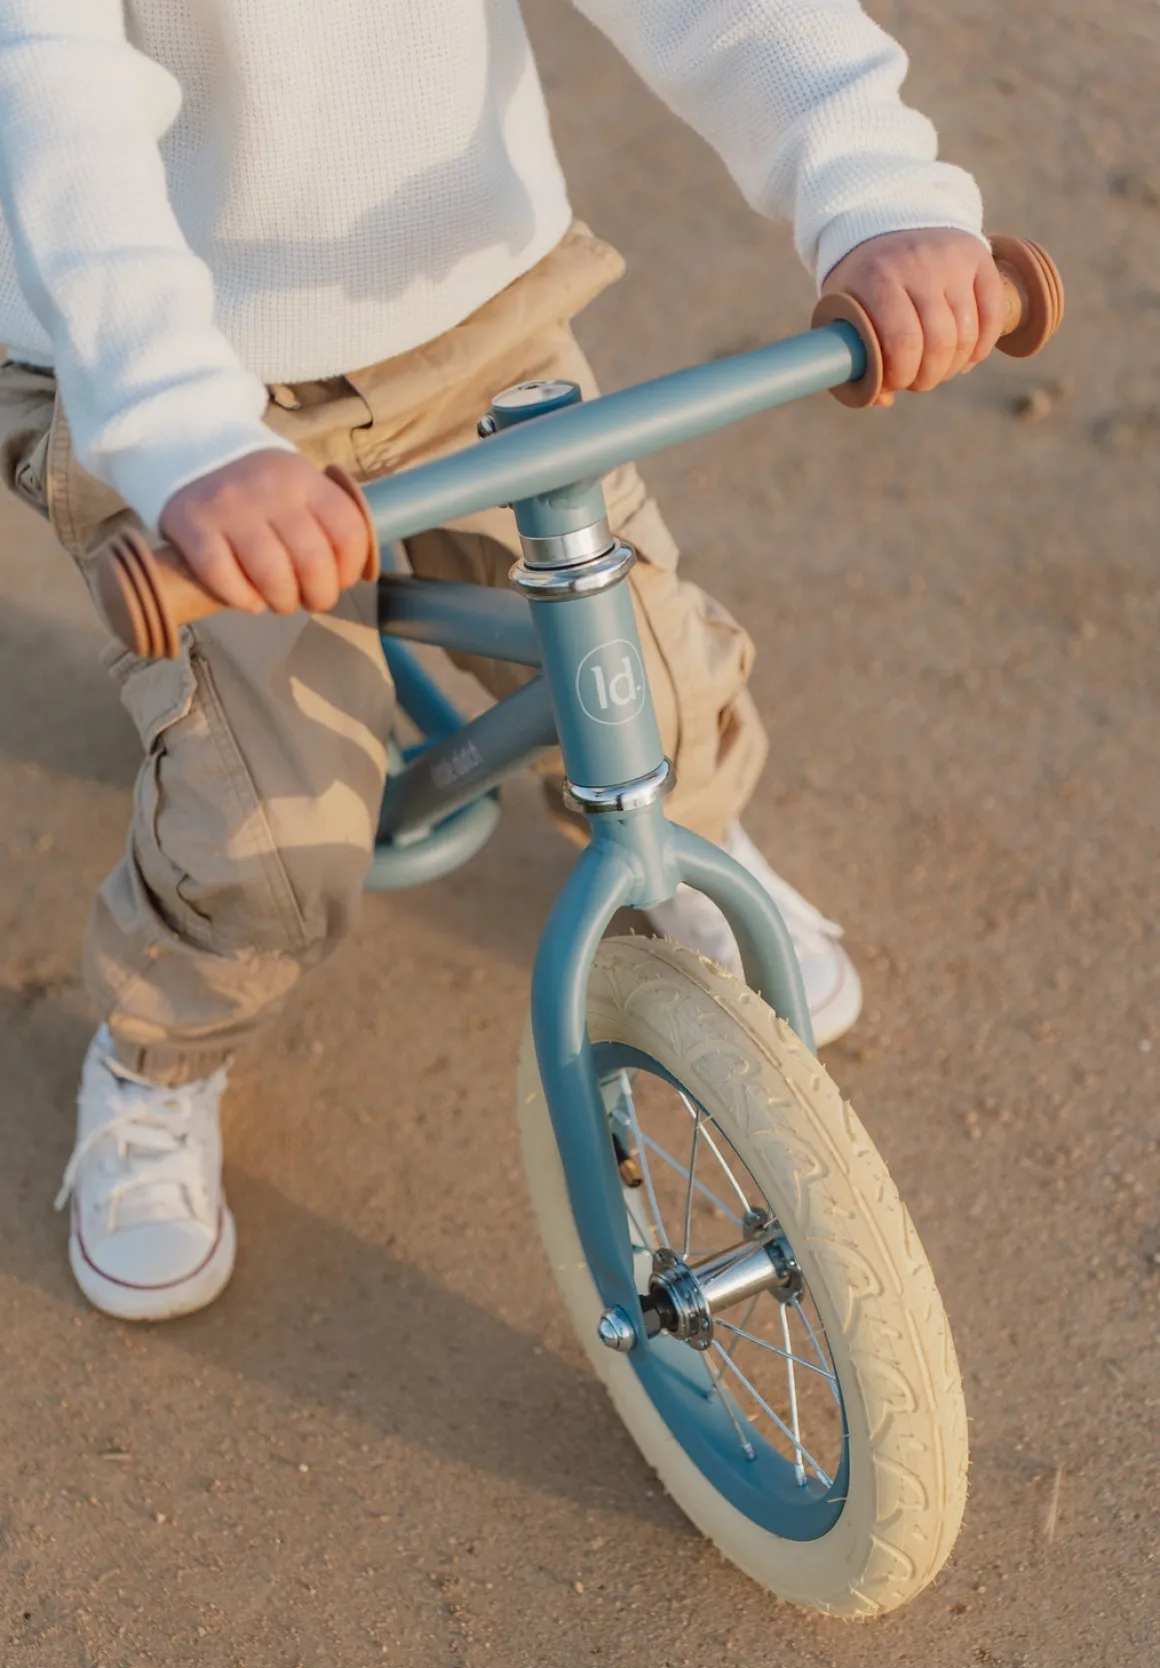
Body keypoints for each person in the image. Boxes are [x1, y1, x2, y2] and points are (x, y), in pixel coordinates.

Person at [0, 1, 1006, 1322]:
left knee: (650, 671)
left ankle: (687, 830)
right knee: (270, 838)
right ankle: (159, 1059)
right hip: (160, 375)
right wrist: (182, 432)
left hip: (467, 315)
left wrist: (872, 183)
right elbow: (55, 106)